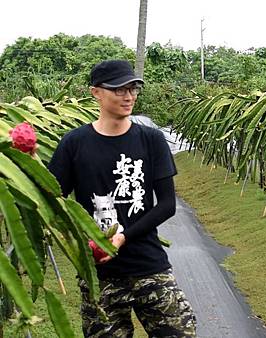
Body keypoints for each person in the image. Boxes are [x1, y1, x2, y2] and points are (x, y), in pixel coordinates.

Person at [49, 60, 197, 337]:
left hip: (149, 265)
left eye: (133, 89)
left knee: (180, 331)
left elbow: (167, 205)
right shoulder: (74, 143)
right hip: (99, 274)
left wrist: (123, 237)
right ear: (96, 92)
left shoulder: (151, 139)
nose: (128, 96)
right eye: (119, 90)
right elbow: (52, 199)